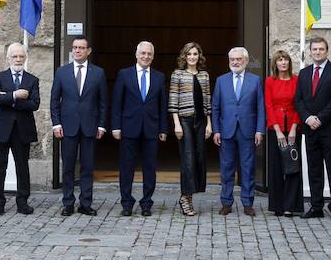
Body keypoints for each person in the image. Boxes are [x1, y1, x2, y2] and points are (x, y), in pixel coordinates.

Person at [50, 35, 107, 216]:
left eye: (81, 48)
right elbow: (54, 101)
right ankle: (68, 203)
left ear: (88, 51)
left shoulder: (98, 73)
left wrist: (101, 125)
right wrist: (56, 123)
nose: (77, 50)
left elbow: (103, 102)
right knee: (67, 166)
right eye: (75, 47)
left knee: (87, 167)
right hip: (68, 127)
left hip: (90, 126)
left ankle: (85, 203)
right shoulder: (62, 72)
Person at [112, 41, 167, 217]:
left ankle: (146, 203)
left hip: (151, 129)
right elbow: (117, 103)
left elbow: (162, 105)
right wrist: (116, 126)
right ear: (136, 55)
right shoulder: (124, 74)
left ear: (153, 56)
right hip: (129, 128)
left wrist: (163, 129)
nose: (146, 56)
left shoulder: (159, 77)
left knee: (149, 168)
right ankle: (127, 203)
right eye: (143, 53)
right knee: (126, 167)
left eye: (149, 54)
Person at [293, 36, 331, 221]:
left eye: (321, 49)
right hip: (310, 130)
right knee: (314, 169)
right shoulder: (304, 73)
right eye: (314, 49)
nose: (317, 52)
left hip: (329, 130)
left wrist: (319, 119)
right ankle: (316, 206)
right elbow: (298, 100)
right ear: (310, 51)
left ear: (327, 51)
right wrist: (307, 118)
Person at [0, 42, 40, 216]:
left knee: (22, 167)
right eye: (15, 56)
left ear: (25, 58)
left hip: (22, 129)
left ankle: (23, 202)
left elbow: (34, 104)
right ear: (8, 58)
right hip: (1, 129)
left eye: (21, 56)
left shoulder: (32, 80)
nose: (18, 59)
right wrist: (15, 95)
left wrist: (7, 99)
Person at [212, 46, 265, 216]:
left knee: (248, 168)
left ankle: (247, 203)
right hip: (226, 131)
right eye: (232, 59)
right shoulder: (221, 80)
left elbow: (260, 107)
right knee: (226, 168)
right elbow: (215, 107)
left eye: (238, 59)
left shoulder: (255, 80)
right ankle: (226, 202)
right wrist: (216, 130)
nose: (235, 62)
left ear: (246, 61)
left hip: (247, 131)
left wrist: (259, 130)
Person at [168, 41, 211, 216]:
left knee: (200, 159)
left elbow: (208, 100)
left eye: (195, 54)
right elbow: (173, 101)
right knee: (188, 160)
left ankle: (189, 197)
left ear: (199, 56)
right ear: (184, 57)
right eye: (189, 54)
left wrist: (209, 123)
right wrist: (176, 124)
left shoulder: (204, 76)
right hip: (184, 121)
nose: (192, 57)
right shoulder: (177, 75)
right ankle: (185, 197)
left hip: (201, 122)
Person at [264, 50, 303, 217]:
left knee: (293, 167)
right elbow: (268, 105)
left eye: (285, 59)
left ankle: (290, 206)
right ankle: (277, 205)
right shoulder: (269, 81)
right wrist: (278, 131)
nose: (283, 63)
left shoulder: (297, 80)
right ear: (275, 64)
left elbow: (299, 104)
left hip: (294, 128)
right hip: (276, 129)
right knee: (276, 167)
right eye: (279, 60)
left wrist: (294, 127)